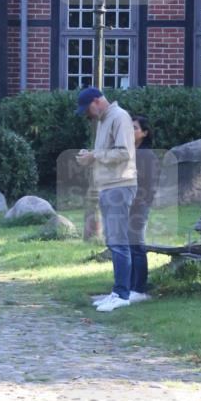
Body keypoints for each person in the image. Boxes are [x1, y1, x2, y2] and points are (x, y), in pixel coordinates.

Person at [75, 86, 137, 312]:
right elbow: (106, 153)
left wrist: (95, 155)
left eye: (87, 109)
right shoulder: (103, 120)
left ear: (96, 101)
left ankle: (122, 295)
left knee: (118, 242)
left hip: (120, 185)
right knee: (113, 241)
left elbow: (124, 152)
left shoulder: (119, 117)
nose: (87, 114)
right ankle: (118, 291)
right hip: (108, 186)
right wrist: (90, 157)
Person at [128, 116, 160, 301]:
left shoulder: (146, 155)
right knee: (128, 245)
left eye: (134, 128)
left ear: (145, 133)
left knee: (136, 245)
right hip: (127, 204)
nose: (130, 131)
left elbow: (149, 183)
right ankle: (130, 286)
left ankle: (139, 289)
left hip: (138, 205)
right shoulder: (131, 152)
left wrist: (139, 202)